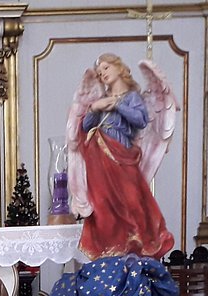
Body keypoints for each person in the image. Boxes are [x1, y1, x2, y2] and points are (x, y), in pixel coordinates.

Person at [66, 53, 175, 261]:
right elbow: (85, 127)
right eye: (100, 72)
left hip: (122, 155)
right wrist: (95, 109)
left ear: (119, 68)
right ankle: (110, 248)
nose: (103, 74)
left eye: (106, 68)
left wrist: (117, 105)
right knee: (103, 203)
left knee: (132, 200)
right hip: (99, 156)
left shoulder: (132, 97)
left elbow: (141, 120)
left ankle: (137, 242)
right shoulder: (100, 100)